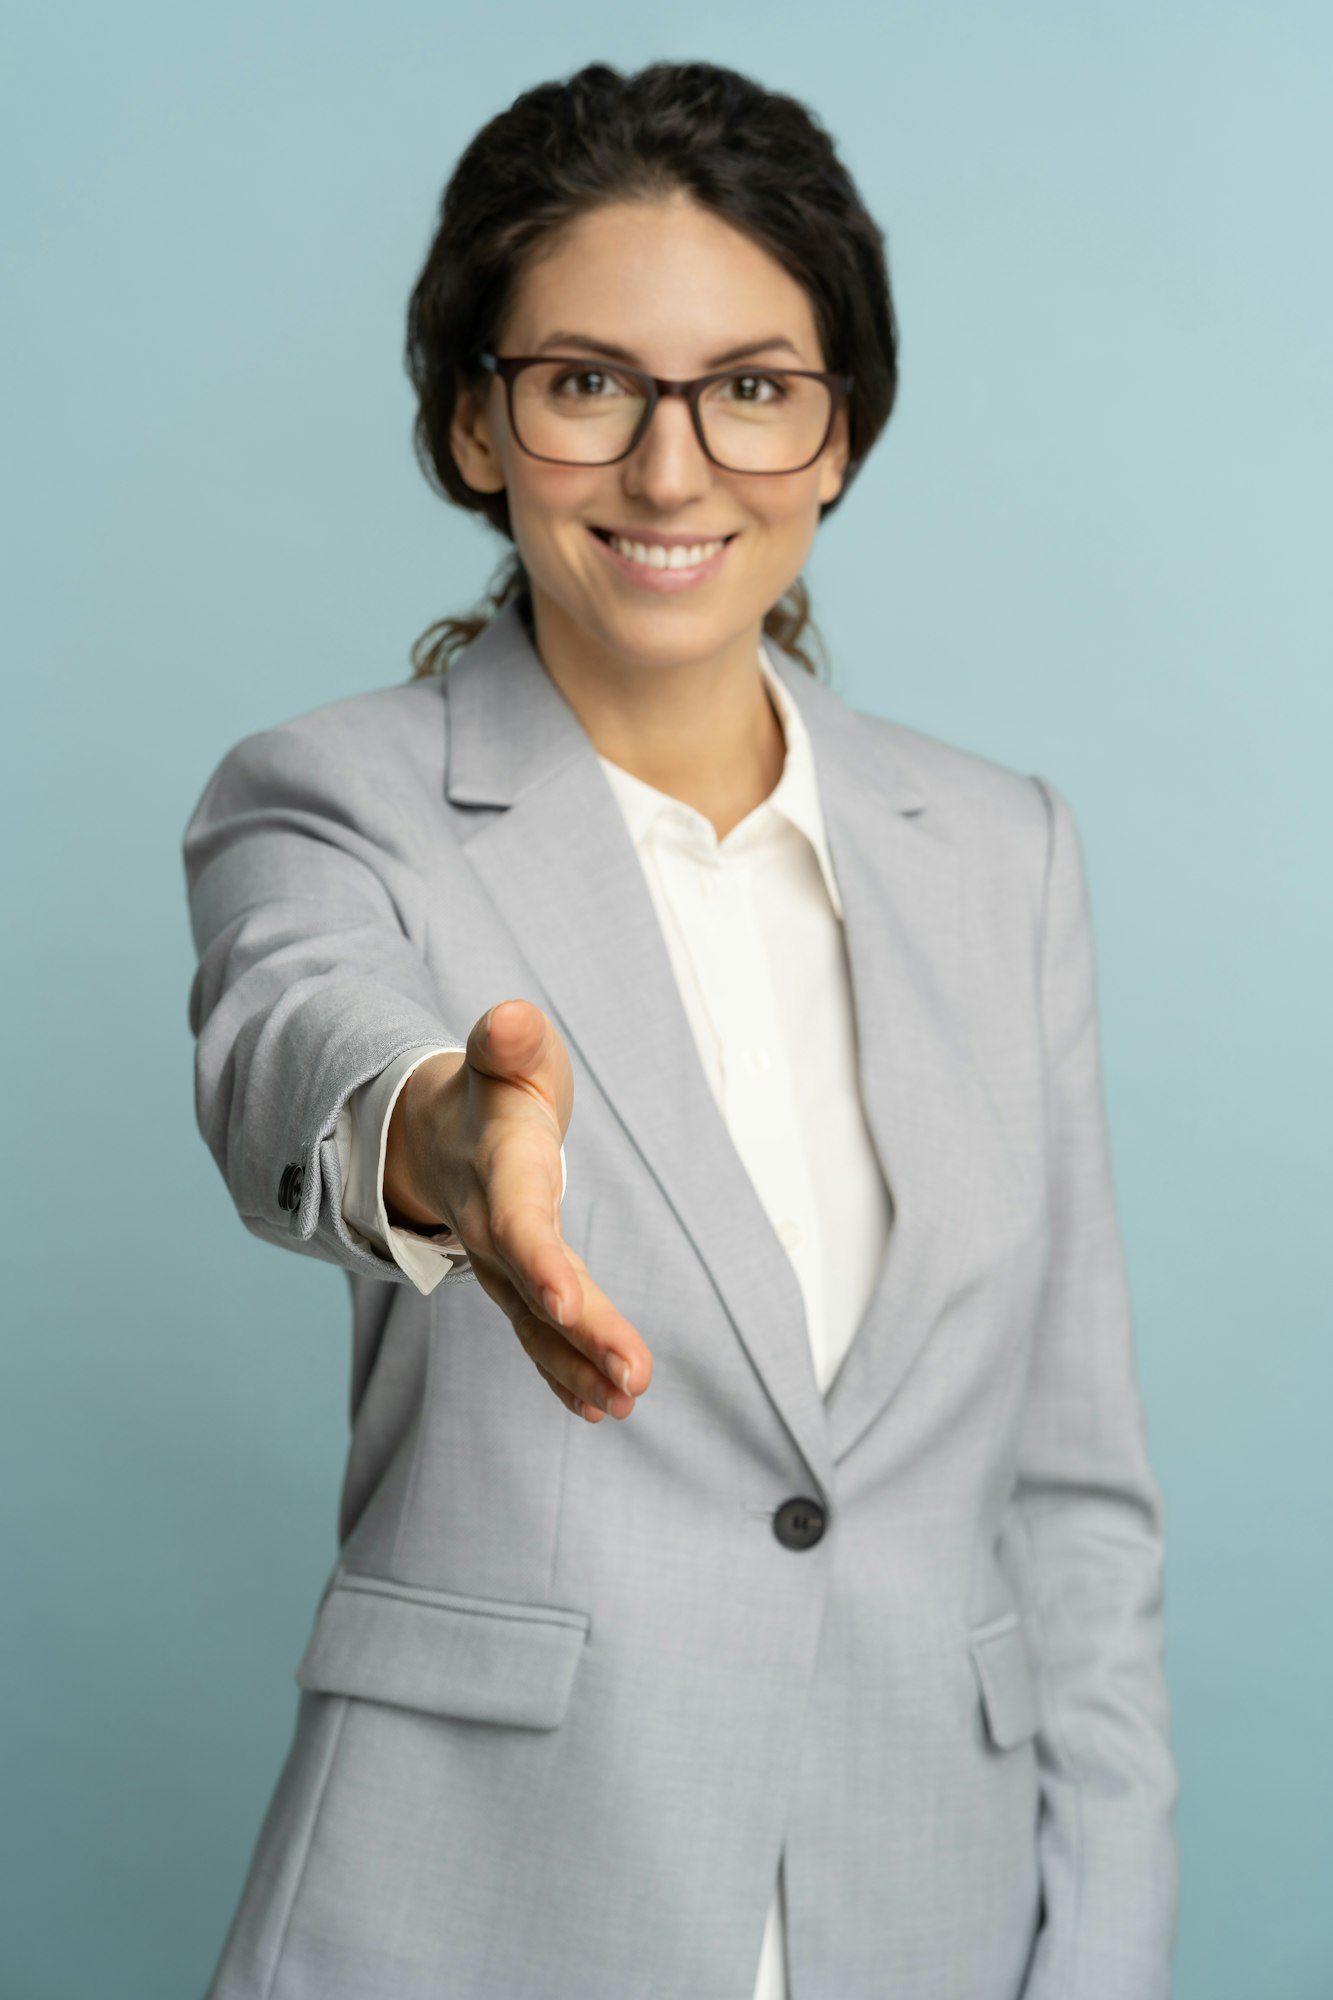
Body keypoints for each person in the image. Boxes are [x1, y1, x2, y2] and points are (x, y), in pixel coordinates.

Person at [183, 58, 1179, 2000]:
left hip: (931, 1913)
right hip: (469, 1915)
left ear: (837, 434)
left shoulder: (999, 849)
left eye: (748, 386)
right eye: (584, 385)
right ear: (474, 424)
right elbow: (291, 1038)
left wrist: (1108, 1947)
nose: (669, 469)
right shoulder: (331, 793)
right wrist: (444, 1143)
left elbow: (1071, 1494)